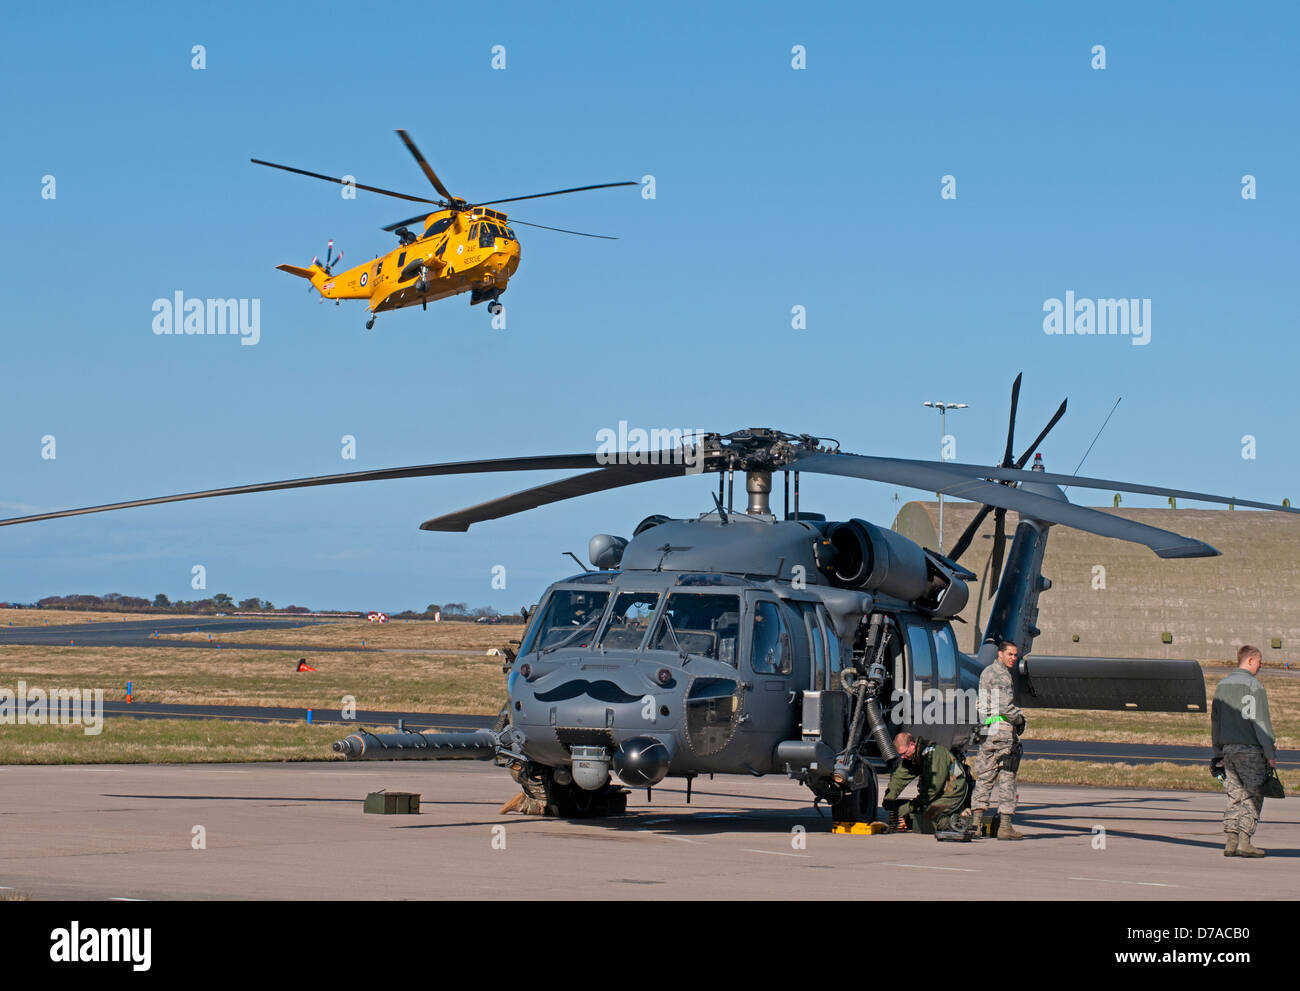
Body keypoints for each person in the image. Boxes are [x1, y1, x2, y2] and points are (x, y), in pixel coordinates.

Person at [1212, 644, 1277, 858]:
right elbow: (1261, 723)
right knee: (1253, 794)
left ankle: (1230, 841)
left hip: (1228, 750)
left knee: (1234, 794)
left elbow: (1216, 721)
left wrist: (1217, 751)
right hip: (1250, 749)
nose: (1261, 665)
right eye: (1259, 661)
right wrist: (1269, 752)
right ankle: (1244, 841)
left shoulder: (1222, 686)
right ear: (1250, 660)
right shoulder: (1254, 686)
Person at [971, 639, 1027, 840]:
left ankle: (976, 824)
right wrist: (1020, 718)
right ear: (1000, 654)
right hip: (1003, 730)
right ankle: (1005, 826)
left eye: (1015, 655)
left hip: (987, 729)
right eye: (1010, 654)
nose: (1013, 658)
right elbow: (1004, 706)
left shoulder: (986, 672)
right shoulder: (1002, 675)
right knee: (1007, 777)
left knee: (984, 776)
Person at [882, 731, 973, 838]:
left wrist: (911, 806)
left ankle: (958, 821)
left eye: (904, 753)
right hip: (939, 792)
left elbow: (932, 788)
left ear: (912, 745)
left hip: (953, 792)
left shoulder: (934, 754)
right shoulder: (914, 756)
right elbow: (900, 777)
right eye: (900, 754)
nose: (902, 757)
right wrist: (889, 798)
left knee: (930, 815)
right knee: (918, 812)